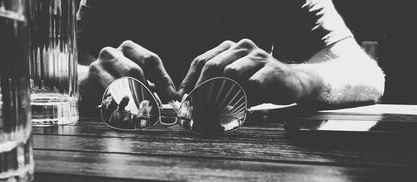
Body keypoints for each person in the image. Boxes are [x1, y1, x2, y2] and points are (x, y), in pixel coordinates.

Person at [76, 0, 385, 117]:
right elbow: (60, 75)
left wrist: (298, 79)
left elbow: (368, 75)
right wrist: (82, 82)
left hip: (255, 166)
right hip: (124, 154)